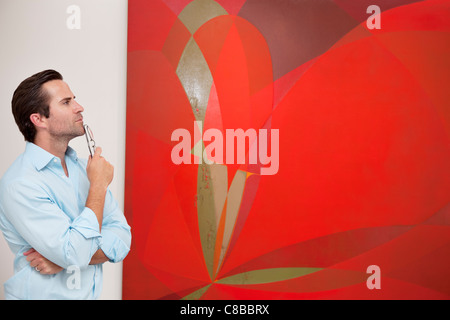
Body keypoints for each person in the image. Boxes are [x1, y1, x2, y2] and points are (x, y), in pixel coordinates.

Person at [0, 69, 131, 299]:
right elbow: (73, 253)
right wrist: (98, 187)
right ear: (38, 119)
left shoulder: (84, 169)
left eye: (75, 99)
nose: (79, 107)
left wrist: (65, 260)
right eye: (66, 102)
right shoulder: (21, 184)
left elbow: (122, 238)